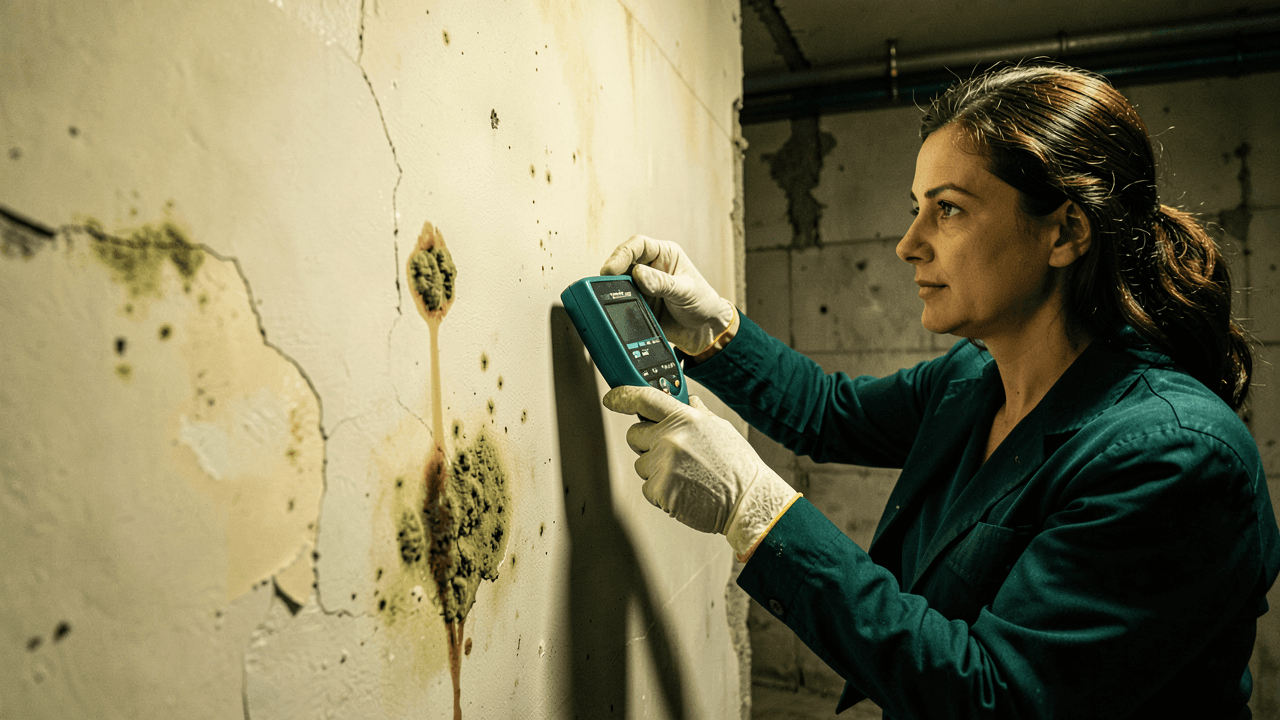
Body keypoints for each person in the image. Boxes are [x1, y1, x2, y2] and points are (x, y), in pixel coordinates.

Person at [598, 64, 1280, 718]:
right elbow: (831, 414)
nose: (908, 244)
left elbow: (999, 701)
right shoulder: (973, 377)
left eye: (948, 210)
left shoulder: (1177, 457)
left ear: (1066, 231)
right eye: (917, 208)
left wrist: (756, 510)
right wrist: (715, 328)